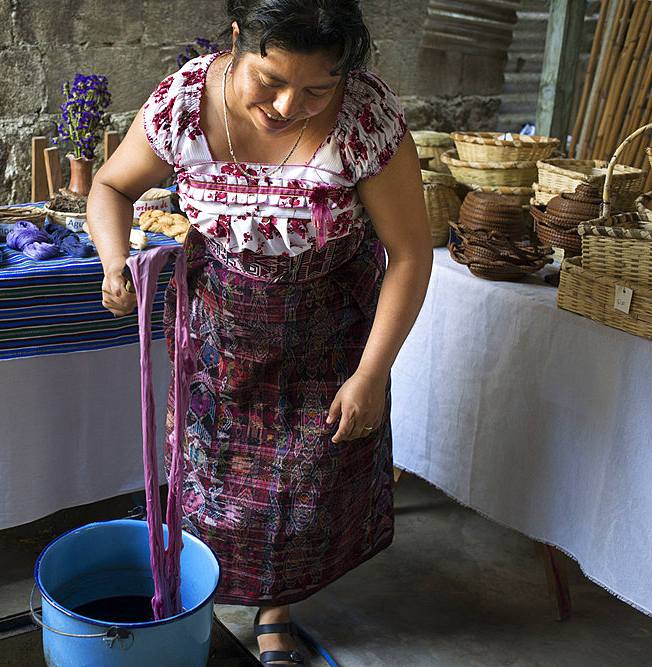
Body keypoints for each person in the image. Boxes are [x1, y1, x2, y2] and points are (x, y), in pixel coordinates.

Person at [87, 1, 432, 663]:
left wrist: (371, 374)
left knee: (305, 491)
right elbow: (110, 186)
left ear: (344, 78)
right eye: (269, 81)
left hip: (328, 334)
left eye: (314, 90)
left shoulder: (365, 119)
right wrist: (113, 261)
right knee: (213, 479)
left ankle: (276, 609)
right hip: (220, 333)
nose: (284, 106)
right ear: (240, 39)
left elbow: (411, 252)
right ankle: (196, 593)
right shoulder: (186, 102)